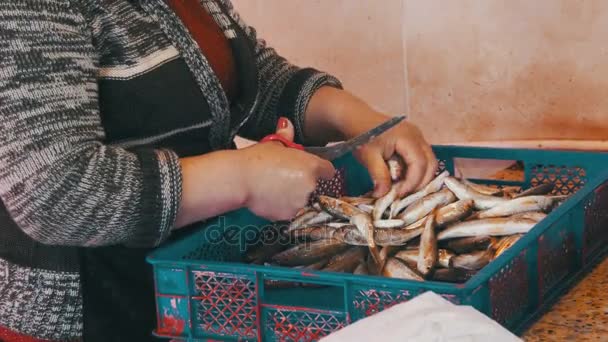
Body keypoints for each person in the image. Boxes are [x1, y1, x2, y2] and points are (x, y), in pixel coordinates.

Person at [0, 0, 437, 341]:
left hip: (198, 289)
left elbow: (242, 81)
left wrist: (358, 120)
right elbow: (55, 191)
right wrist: (242, 178)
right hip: (96, 311)